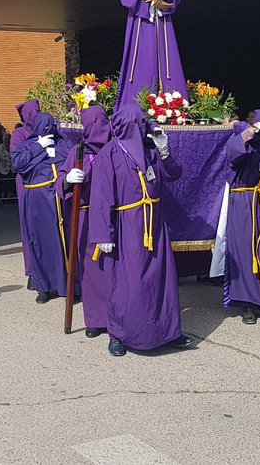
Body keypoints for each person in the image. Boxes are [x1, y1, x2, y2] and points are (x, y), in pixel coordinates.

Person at [87, 103, 189, 356]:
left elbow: (174, 175)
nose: (141, 128)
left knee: (161, 279)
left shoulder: (150, 152)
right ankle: (119, 334)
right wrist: (102, 234)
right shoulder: (109, 154)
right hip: (127, 226)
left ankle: (167, 331)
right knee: (128, 282)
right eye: (137, 124)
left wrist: (165, 151)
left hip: (155, 223)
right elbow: (101, 197)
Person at [57, 106, 111, 336]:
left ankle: (116, 317)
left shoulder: (114, 149)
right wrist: (68, 180)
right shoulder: (77, 152)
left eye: (104, 121)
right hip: (86, 215)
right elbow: (59, 182)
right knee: (90, 270)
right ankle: (95, 319)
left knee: (113, 269)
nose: (102, 127)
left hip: (111, 216)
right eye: (96, 122)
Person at [223, 108, 260, 325]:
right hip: (244, 203)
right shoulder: (243, 140)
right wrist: (250, 134)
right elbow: (232, 153)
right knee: (245, 251)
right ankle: (247, 303)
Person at [12, 111, 71, 302]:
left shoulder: (62, 144)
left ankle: (66, 285)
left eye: (51, 125)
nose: (48, 129)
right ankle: (43, 287)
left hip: (58, 201)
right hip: (37, 202)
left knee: (62, 242)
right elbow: (18, 164)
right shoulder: (26, 146)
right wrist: (38, 146)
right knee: (39, 242)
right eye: (43, 126)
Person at [11, 101, 41, 277]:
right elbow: (18, 162)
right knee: (29, 226)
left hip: (46, 183)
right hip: (27, 183)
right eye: (33, 112)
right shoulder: (19, 134)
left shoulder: (45, 130)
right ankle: (32, 270)